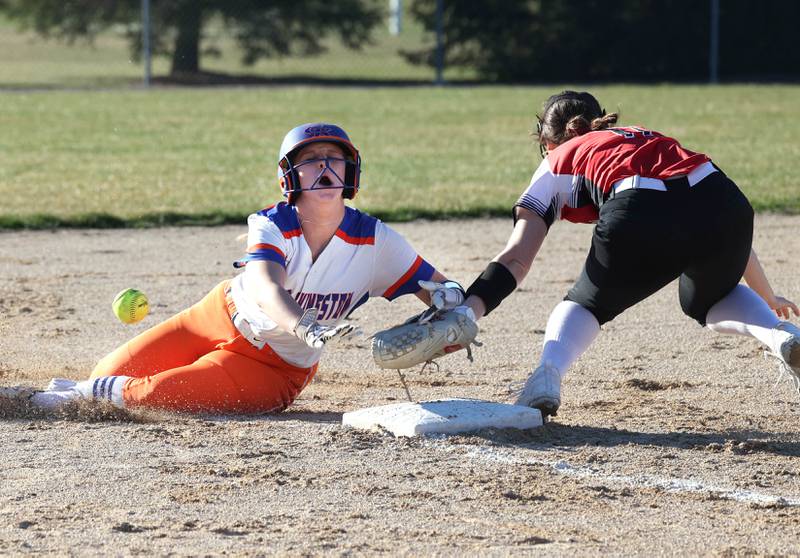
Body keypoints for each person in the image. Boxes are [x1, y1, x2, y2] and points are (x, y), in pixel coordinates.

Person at [27, 123, 466, 414]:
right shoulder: (272, 223)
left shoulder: (375, 240)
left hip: (275, 367)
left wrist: (452, 308)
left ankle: (45, 400)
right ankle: (83, 389)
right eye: (313, 159)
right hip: (215, 316)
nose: (326, 167)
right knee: (107, 375)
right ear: (290, 177)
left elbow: (439, 288)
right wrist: (305, 324)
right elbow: (266, 285)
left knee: (146, 397)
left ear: (351, 171)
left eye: (335, 158)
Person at [459, 91, 800, 417]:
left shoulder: (557, 160)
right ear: (601, 122)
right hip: (726, 202)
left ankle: (546, 376)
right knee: (709, 299)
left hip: (640, 208)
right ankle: (779, 333)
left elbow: (516, 257)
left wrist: (468, 311)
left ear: (547, 143)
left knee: (586, 305)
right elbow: (710, 211)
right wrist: (766, 294)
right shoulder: (640, 135)